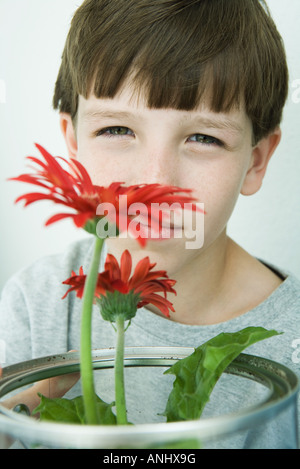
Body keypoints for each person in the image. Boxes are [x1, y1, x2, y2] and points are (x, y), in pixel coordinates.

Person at [0, 0, 299, 448]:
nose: (155, 181)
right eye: (117, 130)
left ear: (256, 163)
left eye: (204, 138)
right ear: (73, 144)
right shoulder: (36, 305)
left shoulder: (291, 344)